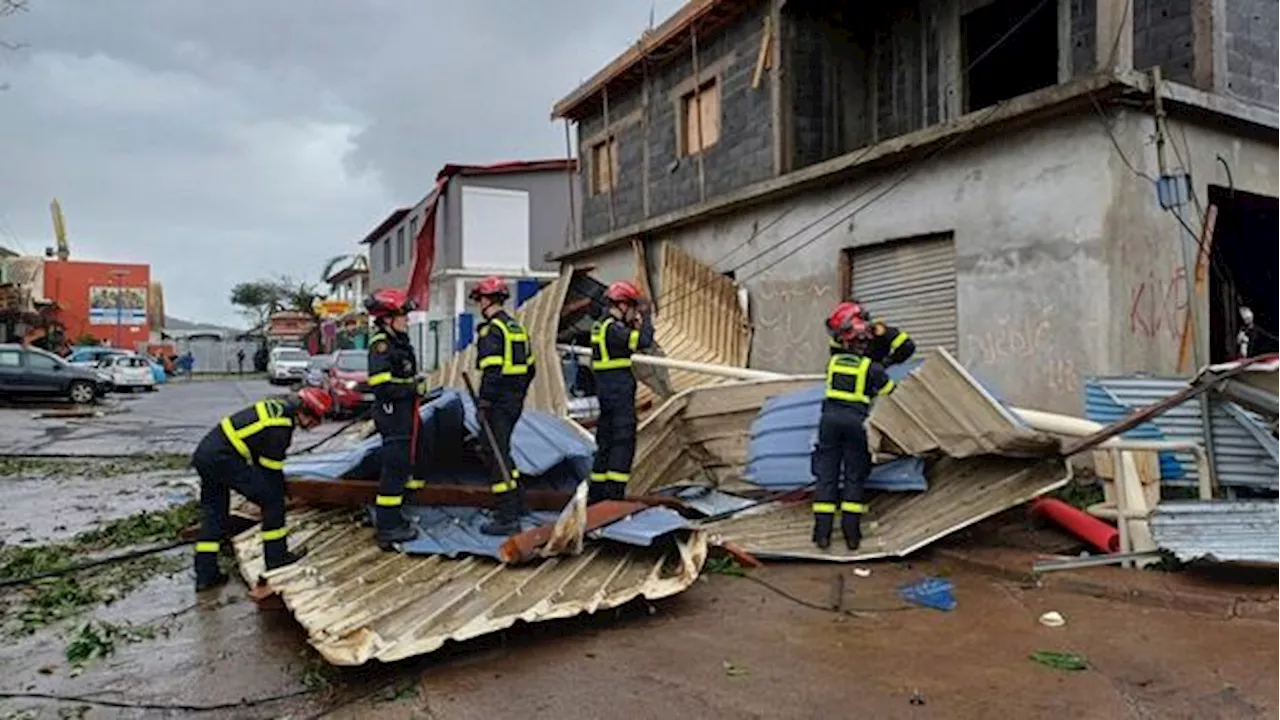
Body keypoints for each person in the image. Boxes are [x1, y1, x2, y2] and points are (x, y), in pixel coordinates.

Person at [192, 387, 332, 592]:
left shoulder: (276, 409)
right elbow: (270, 470)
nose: (313, 425)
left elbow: (260, 457)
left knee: (214, 515)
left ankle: (206, 575)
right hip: (224, 459)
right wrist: (279, 493)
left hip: (207, 455)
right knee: (273, 503)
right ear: (305, 411)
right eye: (315, 419)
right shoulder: (281, 425)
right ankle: (276, 558)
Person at [812, 304, 896, 552]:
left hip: (828, 422)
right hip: (855, 424)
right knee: (853, 477)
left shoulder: (833, 363)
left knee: (826, 477)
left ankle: (822, 536)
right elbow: (889, 391)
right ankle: (852, 537)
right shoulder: (872, 368)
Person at [471, 276, 536, 536]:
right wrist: (517, 393)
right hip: (514, 400)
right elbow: (531, 368)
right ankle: (519, 503)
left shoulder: (491, 331)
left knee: (494, 454)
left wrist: (485, 402)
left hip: (497, 403)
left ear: (487, 301)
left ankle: (507, 516)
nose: (479, 306)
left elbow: (492, 371)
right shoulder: (516, 329)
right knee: (503, 450)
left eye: (480, 301)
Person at [364, 289, 427, 549]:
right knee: (394, 468)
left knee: (403, 466)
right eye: (403, 315)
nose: (407, 320)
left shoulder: (398, 343)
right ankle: (388, 527)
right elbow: (381, 385)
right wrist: (413, 389)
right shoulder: (382, 346)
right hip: (392, 415)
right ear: (388, 318)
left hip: (402, 414)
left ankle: (396, 516)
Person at [588, 280, 654, 504]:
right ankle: (614, 497)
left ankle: (596, 496)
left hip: (606, 392)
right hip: (619, 391)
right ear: (623, 305)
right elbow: (644, 341)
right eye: (632, 307)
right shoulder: (614, 329)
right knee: (623, 442)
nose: (634, 311)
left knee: (605, 442)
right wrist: (646, 317)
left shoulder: (601, 326)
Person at [825, 300, 916, 367]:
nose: (843, 337)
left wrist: (888, 362)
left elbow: (908, 346)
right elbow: (835, 360)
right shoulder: (838, 341)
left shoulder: (880, 332)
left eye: (845, 332)